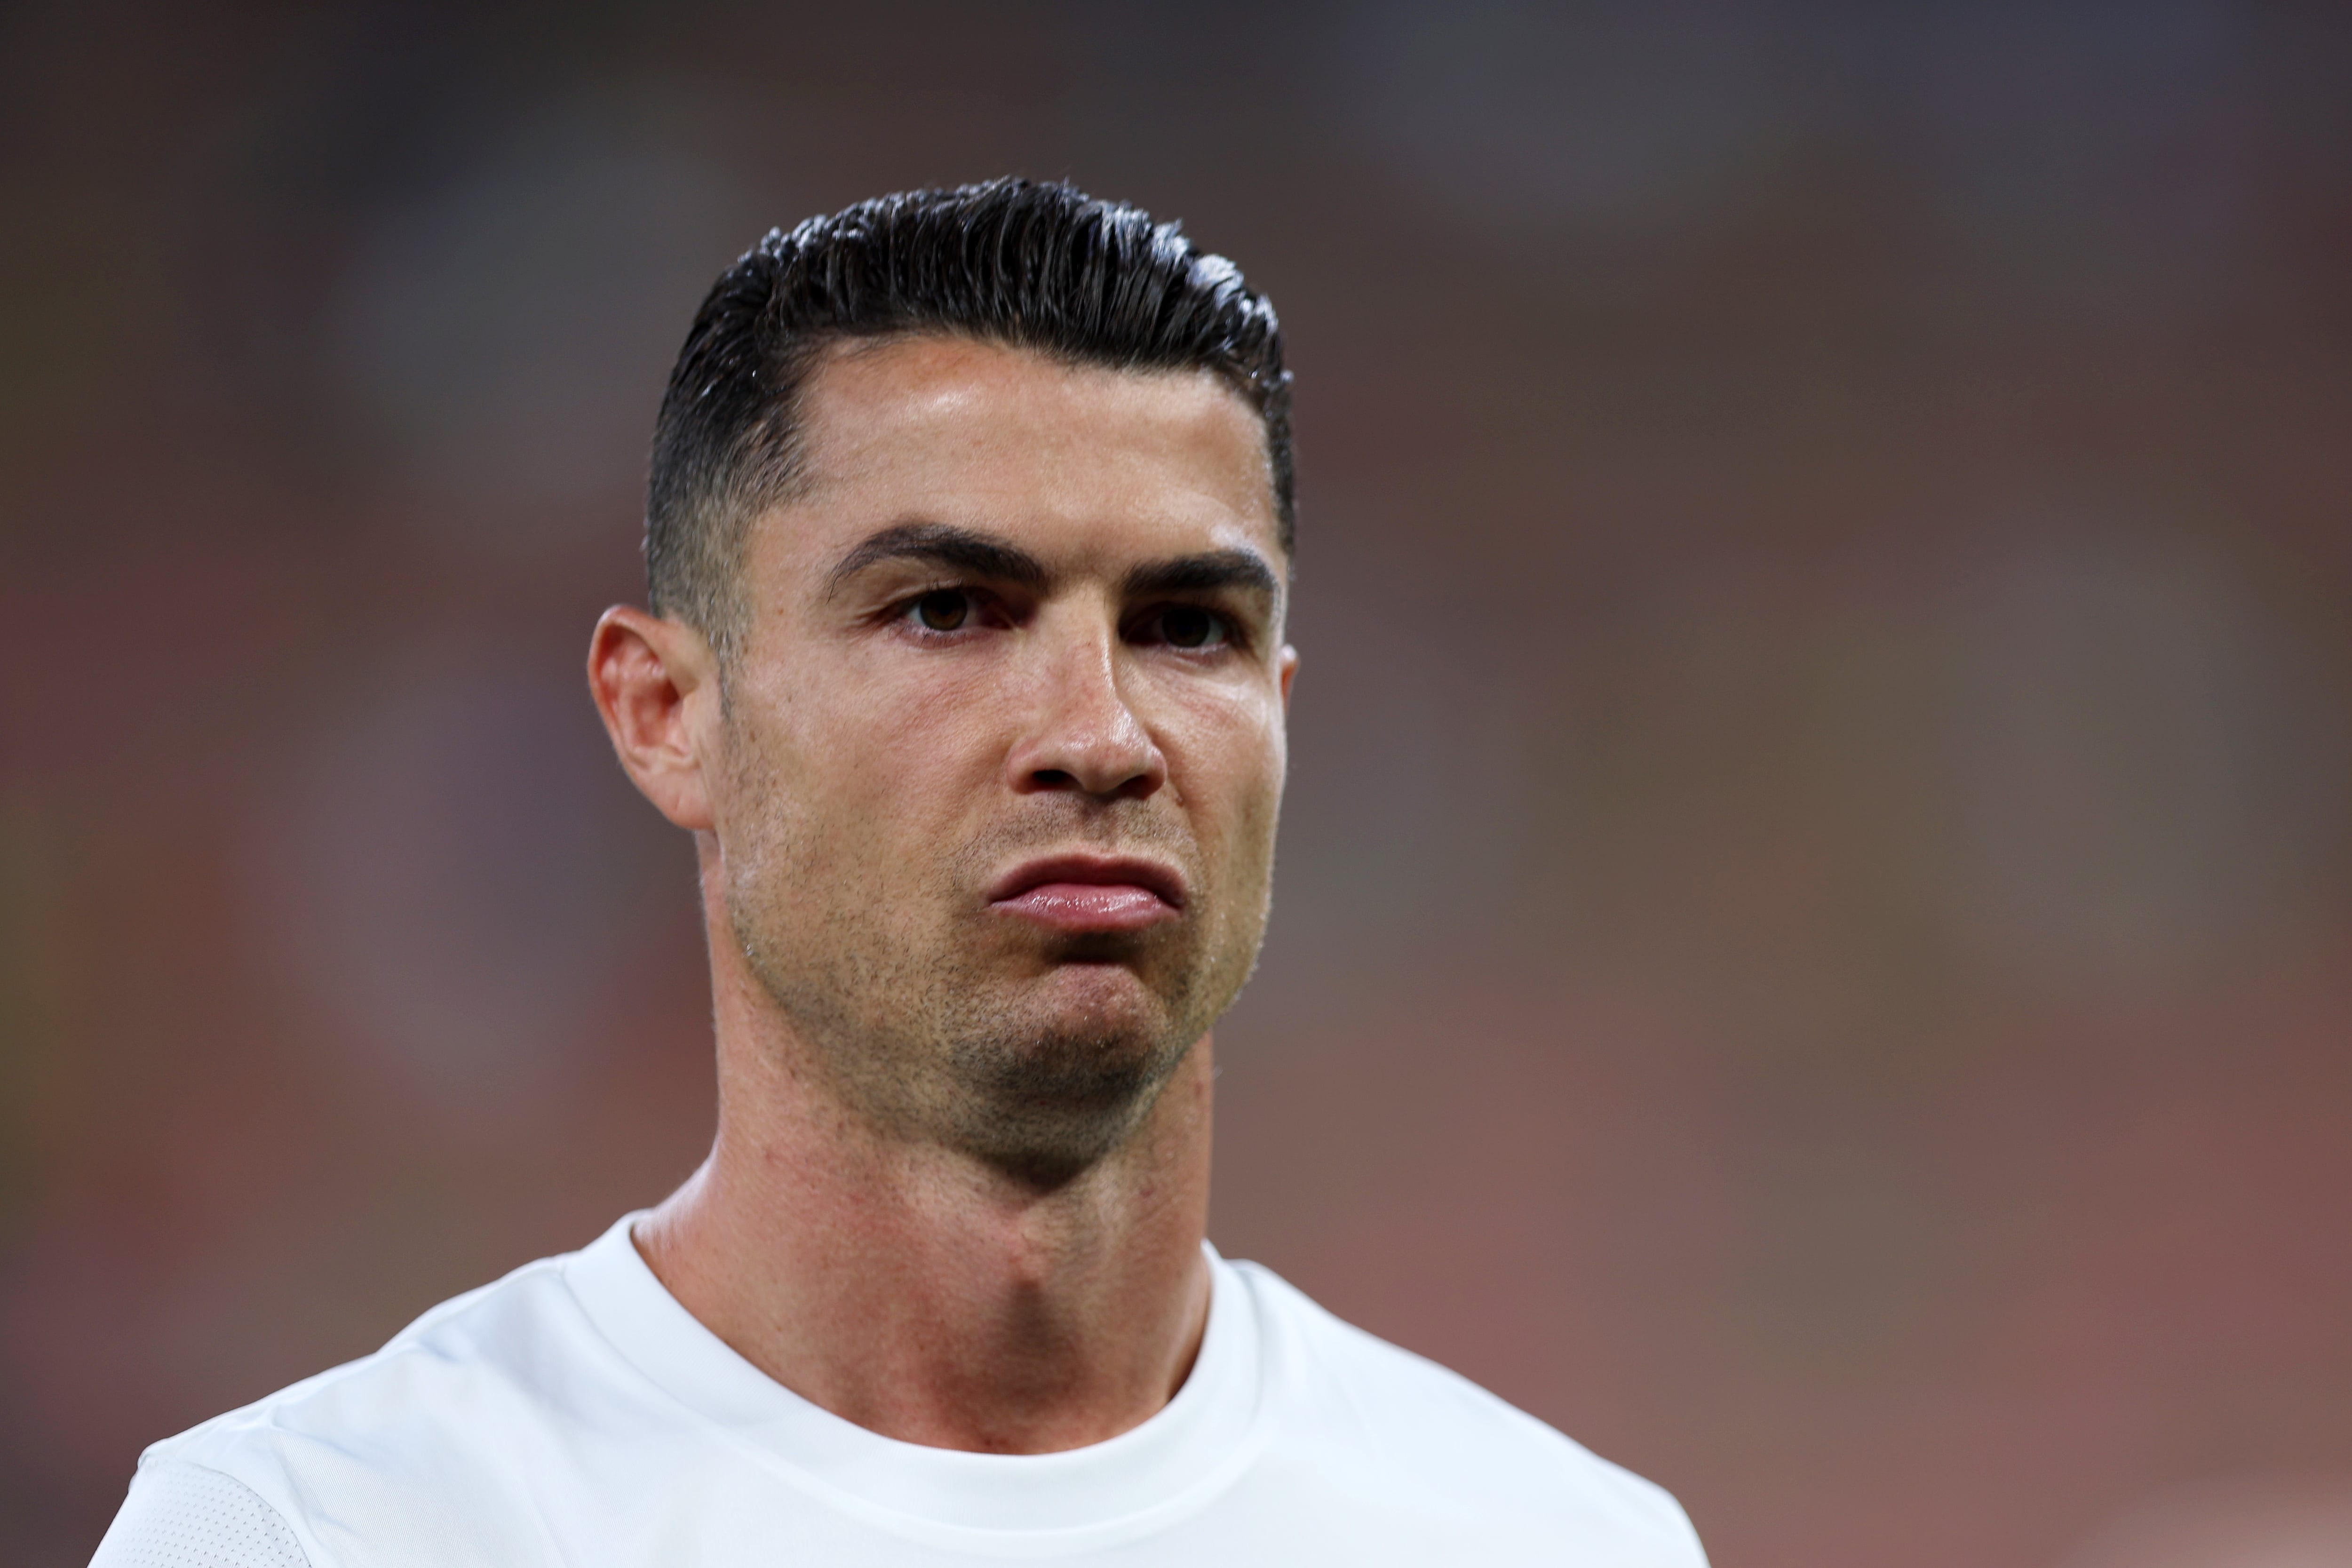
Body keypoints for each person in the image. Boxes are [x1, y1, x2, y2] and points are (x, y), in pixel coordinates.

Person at [91, 179, 1707, 1567]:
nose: (1102, 734)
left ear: (1279, 717)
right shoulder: (321, 1535)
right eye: (948, 607)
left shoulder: (1551, 1540)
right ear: (669, 716)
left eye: (1187, 629)